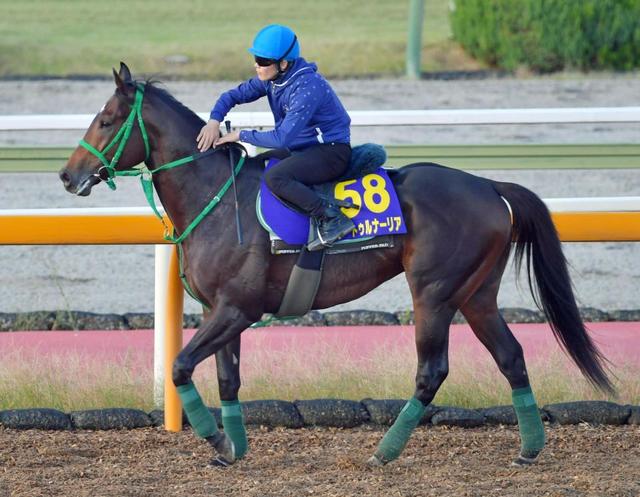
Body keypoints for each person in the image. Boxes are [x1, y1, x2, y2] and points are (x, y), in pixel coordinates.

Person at [196, 24, 354, 250]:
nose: (256, 65)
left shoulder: (307, 88)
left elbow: (282, 139)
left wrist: (241, 135)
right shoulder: (275, 78)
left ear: (284, 63)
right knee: (258, 163)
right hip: (306, 148)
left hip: (331, 152)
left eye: (262, 61)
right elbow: (232, 95)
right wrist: (214, 120)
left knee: (276, 178)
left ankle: (332, 217)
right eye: (256, 59)